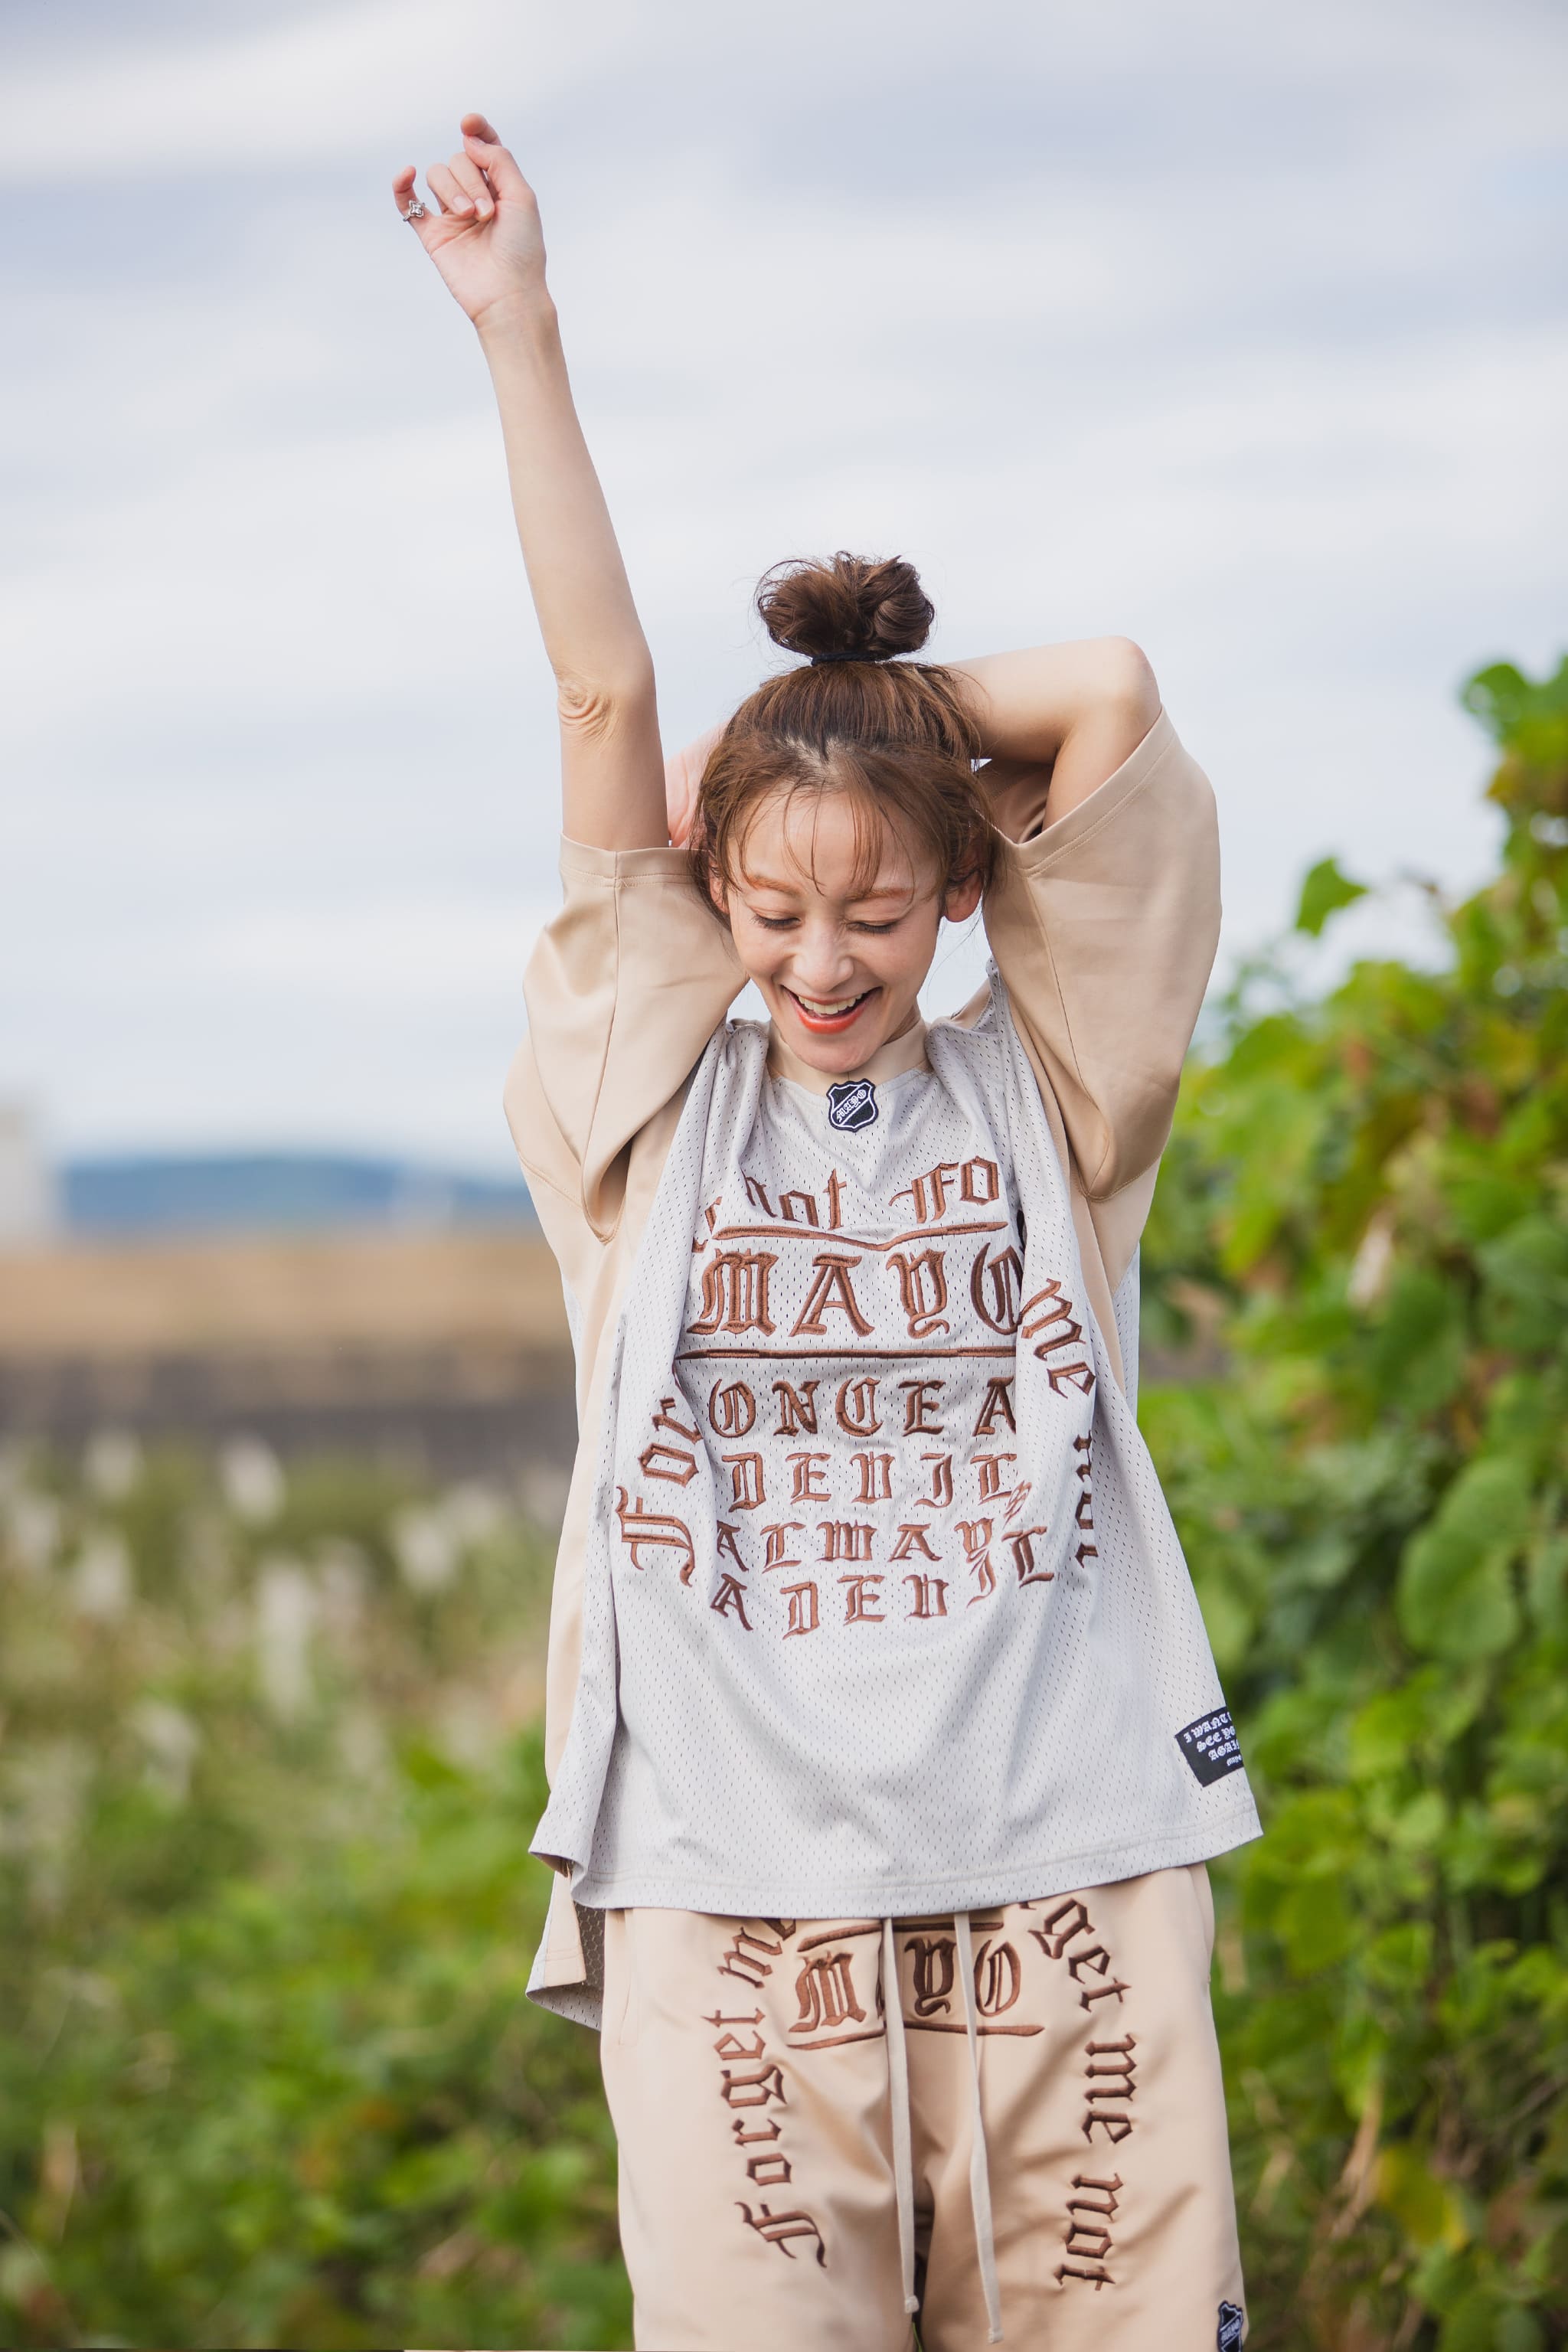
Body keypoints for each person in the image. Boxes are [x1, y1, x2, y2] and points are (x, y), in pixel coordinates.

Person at [395, 115, 1259, 2352]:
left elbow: (1110, 690)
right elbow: (604, 703)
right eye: (770, 909)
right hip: (727, 1883)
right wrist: (517, 325)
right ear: (708, 898)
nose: (821, 957)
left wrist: (854, 740)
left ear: (963, 889)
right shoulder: (640, 1112)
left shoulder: (1051, 1099)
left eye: (876, 904)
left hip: (1069, 1866)